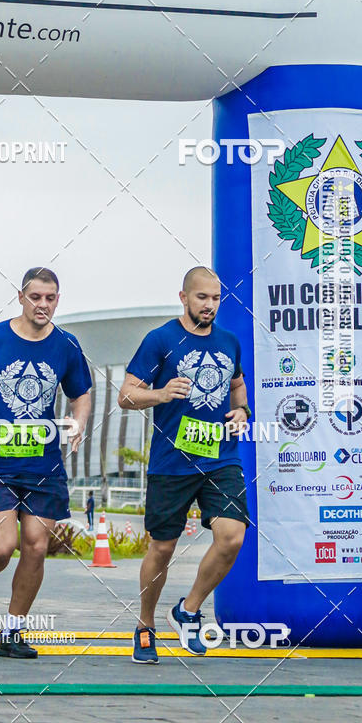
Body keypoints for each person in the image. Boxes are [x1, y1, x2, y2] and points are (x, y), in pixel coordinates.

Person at [0, 267, 91, 659]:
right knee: (2, 545)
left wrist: (78, 422)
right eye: (35, 297)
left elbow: (81, 393)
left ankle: (12, 633)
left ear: (57, 300)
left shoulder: (66, 344)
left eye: (50, 298)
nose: (42, 304)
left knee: (35, 545)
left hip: (42, 466)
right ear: (21, 297)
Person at [119, 267, 251, 663]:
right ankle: (145, 625)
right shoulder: (160, 340)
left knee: (232, 536)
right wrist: (159, 394)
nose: (209, 305)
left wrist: (242, 410)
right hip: (171, 462)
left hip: (219, 457)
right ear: (184, 297)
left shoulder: (229, 342)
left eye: (215, 299)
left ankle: (188, 609)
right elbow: (126, 396)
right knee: (162, 548)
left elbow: (237, 385)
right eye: (201, 298)